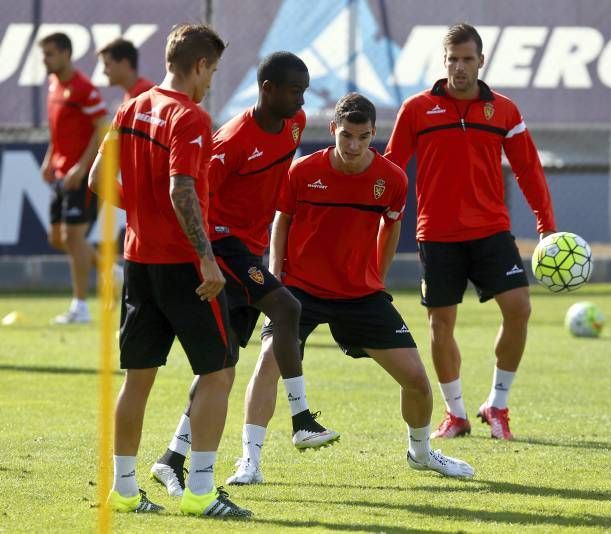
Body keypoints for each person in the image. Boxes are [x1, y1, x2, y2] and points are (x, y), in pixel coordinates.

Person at [228, 92, 474, 484]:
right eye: (346, 136)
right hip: (301, 290)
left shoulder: (391, 179)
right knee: (268, 363)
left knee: (416, 380)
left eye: (362, 137)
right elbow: (282, 220)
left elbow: (390, 225)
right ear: (333, 131)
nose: (354, 146)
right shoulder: (303, 171)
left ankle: (421, 453)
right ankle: (249, 462)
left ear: (374, 134)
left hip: (360, 294)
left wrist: (377, 275)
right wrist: (276, 278)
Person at [149, 51, 338, 495]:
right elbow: (195, 193)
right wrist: (204, 255)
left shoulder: (294, 124)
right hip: (223, 245)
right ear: (267, 89)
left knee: (222, 365)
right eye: (294, 90)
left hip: (248, 249)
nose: (302, 99)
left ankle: (171, 458)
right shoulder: (231, 139)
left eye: (304, 90)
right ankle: (301, 418)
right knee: (287, 306)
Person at [88, 23, 251, 517]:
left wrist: (139, 213)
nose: (212, 82)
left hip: (139, 262)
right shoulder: (191, 117)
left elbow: (98, 179)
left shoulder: (133, 105)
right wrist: (206, 256)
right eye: (213, 71)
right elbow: (182, 190)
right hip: (184, 266)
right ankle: (201, 492)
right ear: (199, 65)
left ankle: (124, 489)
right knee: (219, 372)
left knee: (137, 380)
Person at [384, 23, 557, 441]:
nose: (460, 68)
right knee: (441, 325)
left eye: (467, 59)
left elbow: (529, 170)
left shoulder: (505, 111)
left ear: (481, 61)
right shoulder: (417, 109)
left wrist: (547, 227)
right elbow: (390, 168)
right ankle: (456, 413)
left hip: (491, 230)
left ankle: (497, 404)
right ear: (443, 63)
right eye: (452, 60)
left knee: (519, 308)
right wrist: (369, 214)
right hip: (438, 233)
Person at [39, 32, 107, 324]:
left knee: (73, 237)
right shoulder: (54, 85)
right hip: (58, 172)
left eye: (50, 54)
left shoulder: (84, 88)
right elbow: (58, 130)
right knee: (57, 238)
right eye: (44, 55)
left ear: (67, 53)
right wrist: (48, 159)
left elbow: (102, 127)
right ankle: (111, 270)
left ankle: (81, 307)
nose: (45, 60)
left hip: (78, 176)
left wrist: (82, 167)